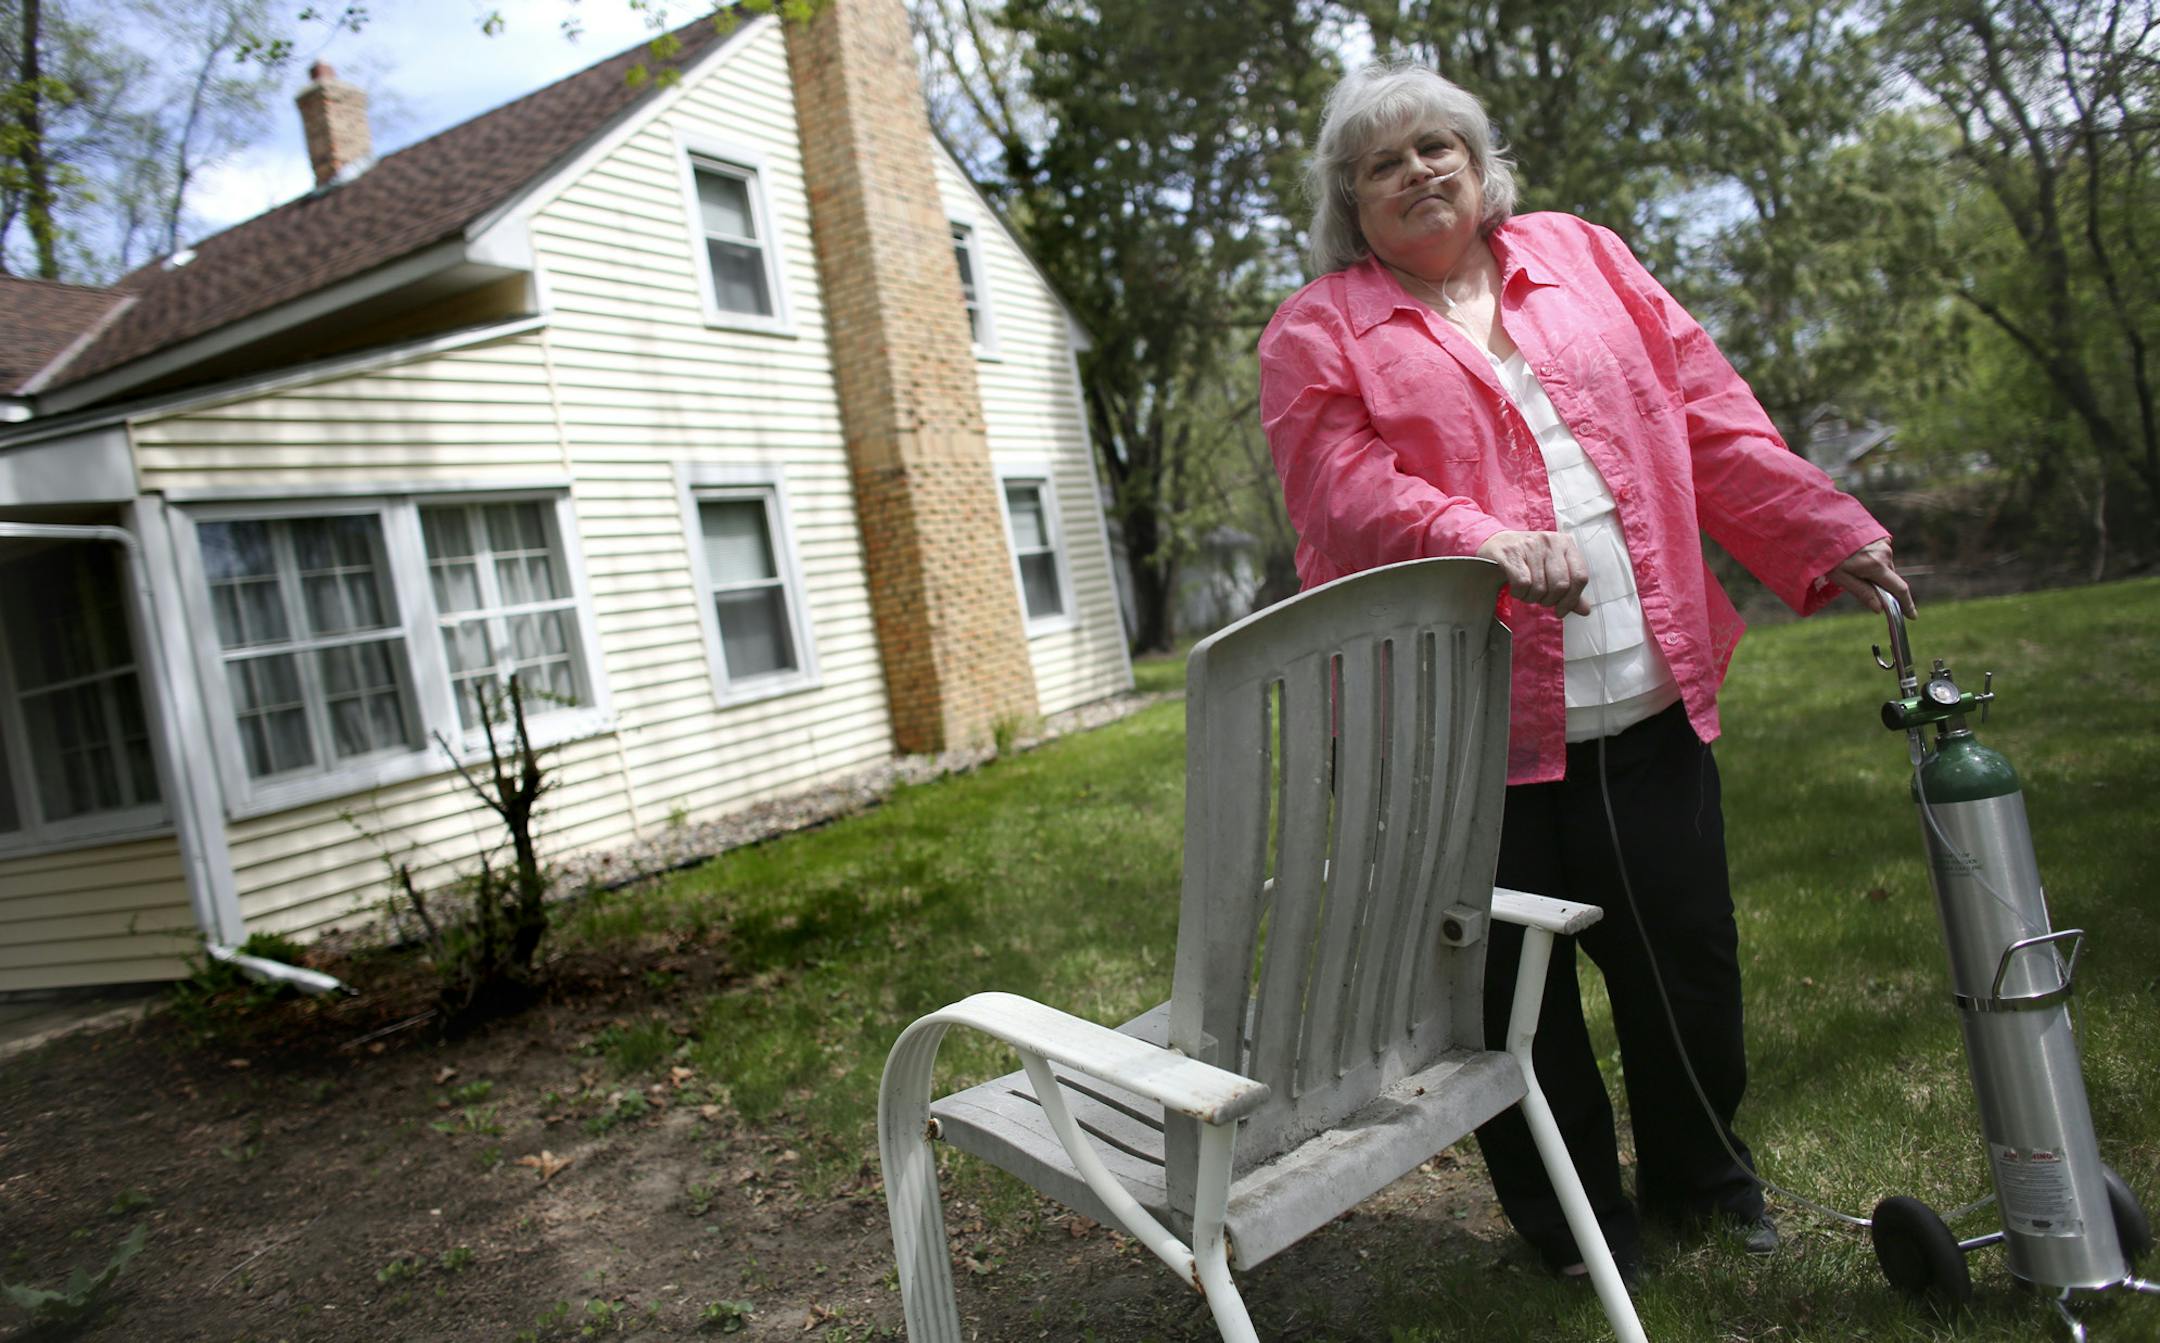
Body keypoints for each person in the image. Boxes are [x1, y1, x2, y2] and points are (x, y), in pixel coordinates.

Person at [1257, 61, 1913, 1281]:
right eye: (1385, 159)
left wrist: (1823, 528)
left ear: (1479, 156)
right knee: (1512, 1013)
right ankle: (1574, 1232)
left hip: (1644, 695)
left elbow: (1708, 415)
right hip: (1459, 744)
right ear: (1349, 196)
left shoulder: (1586, 256)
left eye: (1438, 143)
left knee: (1688, 971)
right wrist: (1484, 539)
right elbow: (1342, 499)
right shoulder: (1317, 328)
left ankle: (1707, 1191)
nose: (1419, 170)